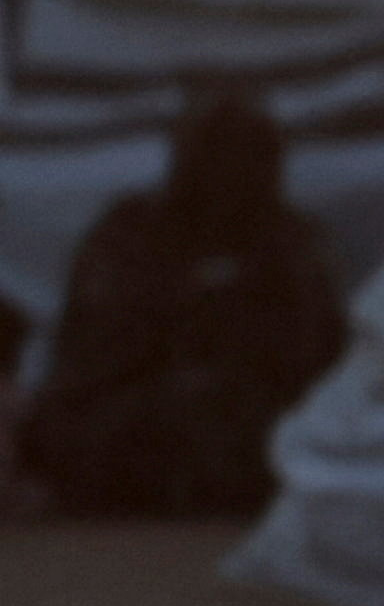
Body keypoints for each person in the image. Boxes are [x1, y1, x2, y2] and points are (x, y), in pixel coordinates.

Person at [11, 87, 348, 517]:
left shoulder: (293, 241)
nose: (228, 170)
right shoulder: (129, 233)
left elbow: (316, 357)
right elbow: (92, 353)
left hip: (256, 413)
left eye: (246, 153)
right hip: (140, 408)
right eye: (216, 152)